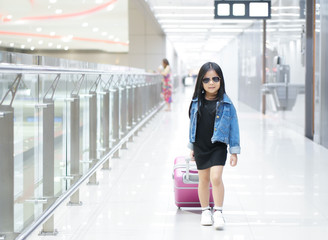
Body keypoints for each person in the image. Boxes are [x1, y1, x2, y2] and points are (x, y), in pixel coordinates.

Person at [188, 62, 240, 230]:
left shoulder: (227, 103)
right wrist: (191, 147)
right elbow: (192, 126)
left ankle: (218, 211)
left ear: (221, 80)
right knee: (203, 179)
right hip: (200, 146)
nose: (211, 83)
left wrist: (234, 151)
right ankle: (205, 211)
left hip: (218, 145)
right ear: (201, 83)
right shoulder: (196, 102)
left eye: (215, 79)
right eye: (206, 79)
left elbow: (234, 128)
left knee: (215, 178)